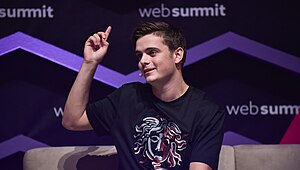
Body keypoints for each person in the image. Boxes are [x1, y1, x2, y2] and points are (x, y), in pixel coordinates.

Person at [62, 20, 224, 170]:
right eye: (139, 55)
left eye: (152, 52)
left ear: (177, 55)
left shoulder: (206, 111)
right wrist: (90, 63)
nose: (143, 61)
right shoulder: (127, 97)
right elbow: (72, 120)